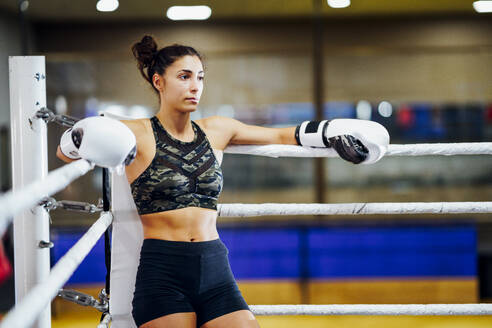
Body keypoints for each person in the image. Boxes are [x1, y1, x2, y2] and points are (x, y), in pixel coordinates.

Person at [57, 35, 389, 328]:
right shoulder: (135, 131)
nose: (195, 86)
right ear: (159, 82)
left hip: (214, 266)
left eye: (200, 77)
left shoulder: (218, 129)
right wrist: (83, 138)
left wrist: (335, 135)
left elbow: (280, 135)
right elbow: (65, 152)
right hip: (163, 271)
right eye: (184, 76)